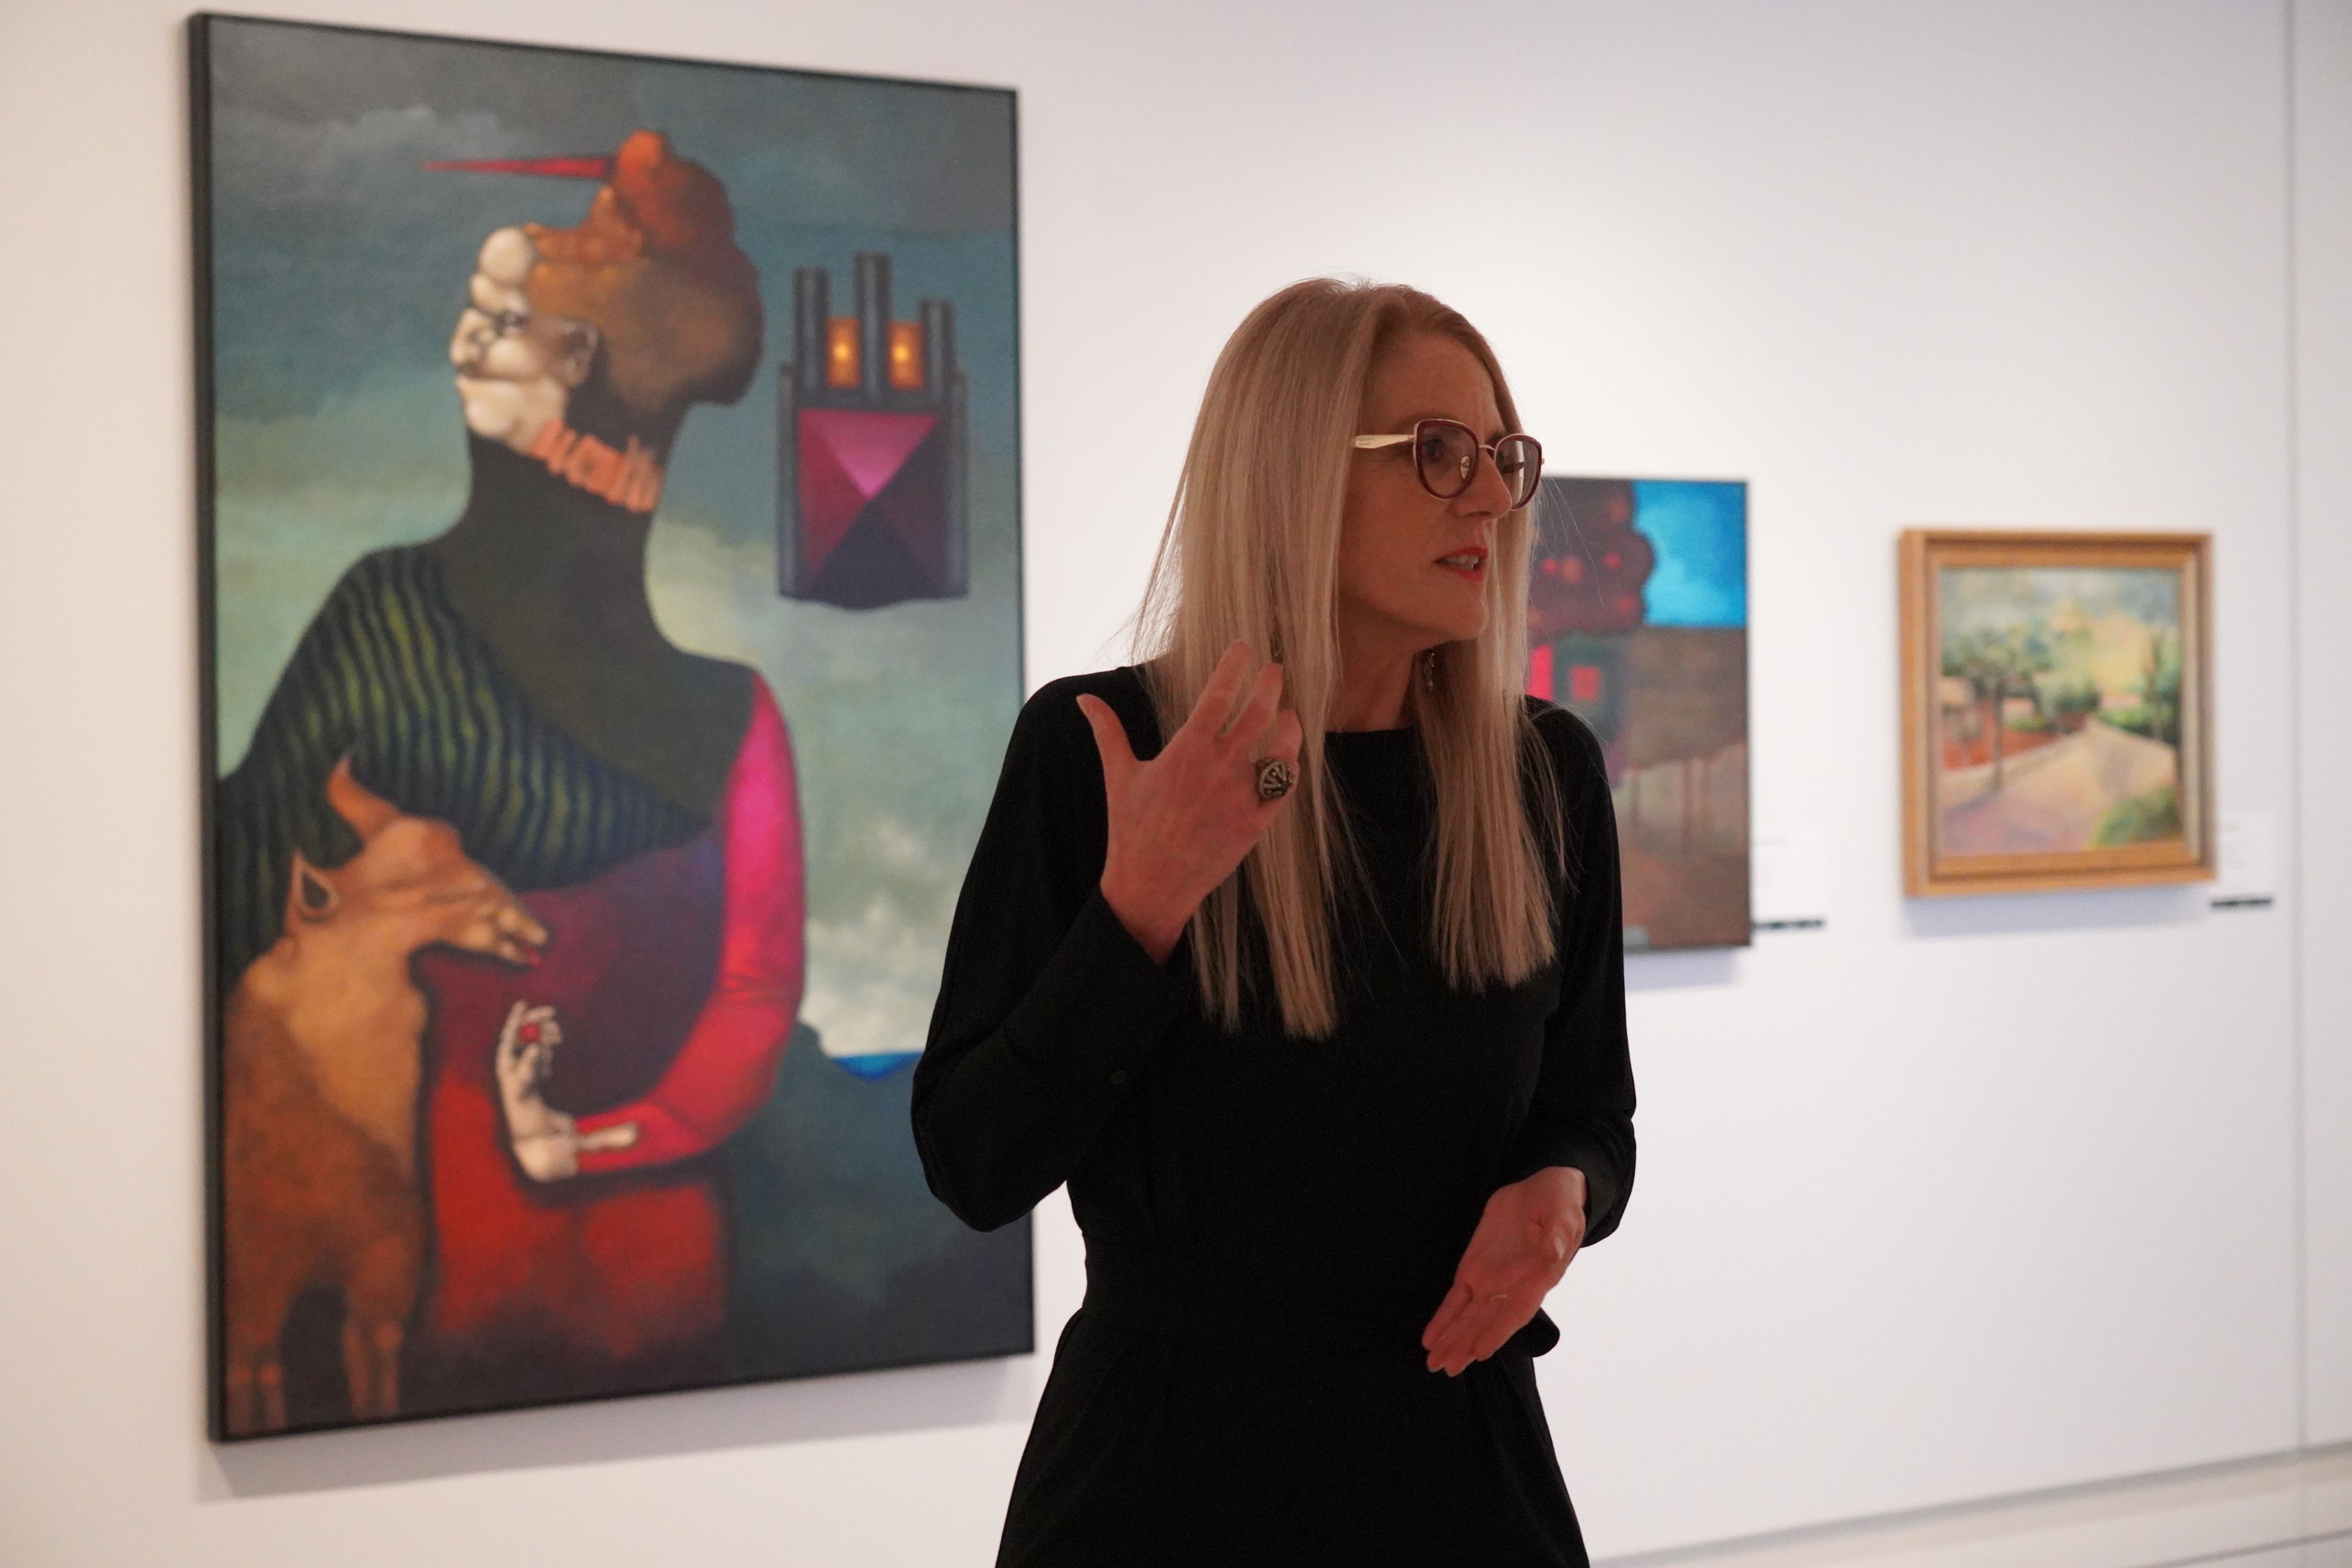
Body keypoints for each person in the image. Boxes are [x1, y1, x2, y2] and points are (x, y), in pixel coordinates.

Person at [912, 277, 1636, 1565]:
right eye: (1439, 452)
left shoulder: (1543, 773)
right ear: (1297, 475)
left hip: (1461, 1471)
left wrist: (1562, 1190)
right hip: (1167, 1484)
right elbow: (976, 1160)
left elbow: (1591, 1109)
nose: (1489, 496)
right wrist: (1143, 902)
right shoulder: (1104, 748)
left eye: (1502, 455)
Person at [214, 131, 804, 1419]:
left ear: (579, 369)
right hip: (425, 1284)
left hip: (589, 1289)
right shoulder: (395, 622)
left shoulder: (399, 621)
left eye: (497, 322)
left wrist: (588, 1143)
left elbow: (755, 1004)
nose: (460, 346)